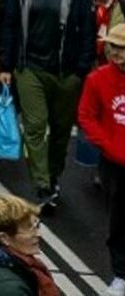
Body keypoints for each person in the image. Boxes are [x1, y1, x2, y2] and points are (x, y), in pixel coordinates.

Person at [0, 0, 96, 214]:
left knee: (61, 130)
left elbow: (87, 34)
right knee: (35, 126)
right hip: (30, 69)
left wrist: (80, 71)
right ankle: (41, 183)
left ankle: (53, 176)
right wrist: (7, 66)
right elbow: (10, 29)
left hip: (66, 73)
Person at [76, 21, 125, 294]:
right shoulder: (98, 79)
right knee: (118, 221)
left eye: (122, 49)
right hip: (114, 164)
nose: (116, 54)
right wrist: (108, 147)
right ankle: (121, 274)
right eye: (112, 47)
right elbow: (86, 116)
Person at [0, 194, 62, 296]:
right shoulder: (7, 289)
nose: (38, 234)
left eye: (36, 225)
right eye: (29, 229)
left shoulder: (14, 265)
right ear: (4, 238)